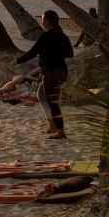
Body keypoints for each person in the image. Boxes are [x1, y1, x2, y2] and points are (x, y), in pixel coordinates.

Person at [16, 10, 74, 138]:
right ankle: (52, 125)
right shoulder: (62, 36)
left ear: (48, 21)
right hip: (61, 71)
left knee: (53, 102)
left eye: (43, 20)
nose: (42, 22)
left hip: (53, 73)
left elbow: (33, 52)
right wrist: (55, 53)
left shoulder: (46, 36)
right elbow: (70, 53)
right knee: (41, 94)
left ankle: (61, 132)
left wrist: (17, 61)